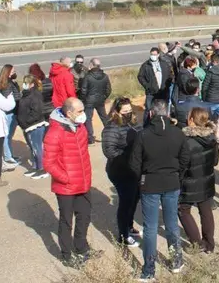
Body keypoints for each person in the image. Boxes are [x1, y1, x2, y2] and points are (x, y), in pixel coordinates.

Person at [129, 100, 188, 279]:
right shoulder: (178, 133)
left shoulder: (143, 135)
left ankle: (149, 270)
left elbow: (134, 163)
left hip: (150, 183)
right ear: (167, 113)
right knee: (171, 225)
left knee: (150, 227)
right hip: (172, 182)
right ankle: (176, 261)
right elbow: (185, 159)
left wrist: (143, 177)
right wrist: (178, 175)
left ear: (151, 114)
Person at [43, 98, 97, 268]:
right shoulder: (55, 132)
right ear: (69, 113)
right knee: (67, 221)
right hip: (66, 186)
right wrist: (67, 178)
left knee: (84, 216)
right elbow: (48, 163)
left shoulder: (80, 127)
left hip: (83, 183)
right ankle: (67, 255)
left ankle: (81, 247)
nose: (83, 114)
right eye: (80, 111)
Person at [100, 97, 141, 247]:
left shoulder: (135, 123)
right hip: (120, 171)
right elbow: (109, 151)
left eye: (130, 111)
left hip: (135, 169)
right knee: (125, 202)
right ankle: (123, 235)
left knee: (135, 199)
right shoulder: (111, 128)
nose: (128, 114)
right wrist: (129, 157)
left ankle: (129, 226)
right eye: (125, 112)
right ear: (116, 111)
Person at [179, 107, 219, 253]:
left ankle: (197, 242)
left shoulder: (186, 142)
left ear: (191, 121)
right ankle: (209, 244)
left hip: (190, 182)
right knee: (205, 209)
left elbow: (182, 165)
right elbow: (215, 161)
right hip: (207, 179)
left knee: (183, 209)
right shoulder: (211, 139)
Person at [17, 74, 50, 179]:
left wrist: (26, 122)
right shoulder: (26, 94)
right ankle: (35, 166)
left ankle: (42, 169)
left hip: (35, 125)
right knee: (32, 147)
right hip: (27, 126)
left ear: (31, 84)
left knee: (37, 148)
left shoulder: (35, 95)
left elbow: (37, 112)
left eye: (26, 83)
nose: (24, 85)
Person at [0, 64, 22, 168]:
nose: (15, 72)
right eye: (13, 71)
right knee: (7, 136)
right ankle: (8, 157)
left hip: (11, 112)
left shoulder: (5, 82)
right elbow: (9, 99)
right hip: (10, 113)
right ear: (8, 72)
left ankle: (10, 155)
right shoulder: (7, 84)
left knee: (8, 136)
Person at [138, 47, 173, 124]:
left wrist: (168, 84)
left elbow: (170, 75)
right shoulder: (145, 65)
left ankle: (164, 123)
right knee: (148, 109)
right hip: (151, 92)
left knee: (164, 108)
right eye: (151, 54)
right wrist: (147, 86)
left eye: (155, 54)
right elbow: (140, 76)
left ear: (158, 55)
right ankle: (146, 125)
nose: (153, 56)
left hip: (163, 91)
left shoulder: (164, 64)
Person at [80, 58, 111, 145]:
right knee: (104, 117)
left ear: (92, 65)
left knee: (88, 119)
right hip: (100, 100)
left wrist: (85, 99)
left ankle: (90, 138)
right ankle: (110, 134)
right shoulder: (105, 76)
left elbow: (83, 90)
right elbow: (109, 89)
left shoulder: (88, 76)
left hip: (89, 101)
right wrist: (104, 97)